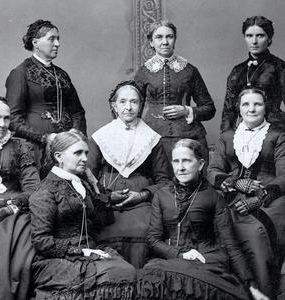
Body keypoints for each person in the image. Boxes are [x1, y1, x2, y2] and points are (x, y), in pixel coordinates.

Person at [137, 139, 268, 300]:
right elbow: (153, 239)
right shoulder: (161, 195)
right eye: (176, 161)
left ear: (200, 164)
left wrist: (251, 286)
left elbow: (230, 245)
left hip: (206, 259)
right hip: (170, 259)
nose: (181, 167)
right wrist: (180, 254)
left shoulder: (213, 197)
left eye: (186, 161)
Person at [29, 129, 136, 300]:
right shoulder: (45, 191)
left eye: (86, 152)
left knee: (128, 271)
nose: (85, 158)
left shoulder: (80, 185)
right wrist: (81, 252)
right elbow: (41, 242)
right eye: (78, 153)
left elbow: (104, 219)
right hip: (58, 261)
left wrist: (94, 183)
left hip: (89, 252)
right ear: (59, 156)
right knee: (117, 273)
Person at [208, 86, 285, 299]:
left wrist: (257, 200)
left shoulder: (278, 136)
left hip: (269, 198)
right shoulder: (227, 136)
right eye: (246, 104)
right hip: (231, 196)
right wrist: (235, 183)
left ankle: (263, 292)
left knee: (257, 236)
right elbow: (213, 171)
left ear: (265, 107)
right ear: (239, 108)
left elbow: (284, 175)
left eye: (257, 104)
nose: (252, 109)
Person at [88, 80, 170, 268]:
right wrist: (107, 196)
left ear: (141, 106)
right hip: (106, 201)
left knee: (143, 230)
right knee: (100, 231)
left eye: (134, 102)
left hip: (142, 202)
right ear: (114, 106)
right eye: (123, 102)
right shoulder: (100, 137)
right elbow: (88, 178)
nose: (128, 107)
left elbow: (164, 180)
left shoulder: (152, 138)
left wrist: (142, 195)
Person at [5, 19, 87, 174]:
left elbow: (78, 112)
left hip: (68, 149)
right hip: (36, 149)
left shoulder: (62, 75)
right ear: (35, 43)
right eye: (52, 39)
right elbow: (13, 119)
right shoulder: (21, 73)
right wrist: (45, 137)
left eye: (58, 39)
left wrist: (75, 134)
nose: (57, 44)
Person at [134, 20, 215, 162]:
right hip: (153, 139)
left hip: (187, 137)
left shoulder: (190, 70)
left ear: (175, 40)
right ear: (151, 42)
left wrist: (186, 111)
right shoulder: (143, 72)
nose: (165, 42)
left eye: (169, 37)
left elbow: (209, 108)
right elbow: (134, 109)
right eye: (159, 37)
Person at [0, 95, 40, 300]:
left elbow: (34, 190)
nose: (3, 124)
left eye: (7, 118)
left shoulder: (20, 147)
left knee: (18, 252)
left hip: (15, 212)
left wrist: (6, 205)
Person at [221, 16, 285, 132]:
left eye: (260, 36)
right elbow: (228, 113)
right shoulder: (237, 71)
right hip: (243, 132)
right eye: (249, 36)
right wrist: (225, 139)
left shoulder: (280, 68)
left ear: (269, 38)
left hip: (274, 132)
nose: (254, 41)